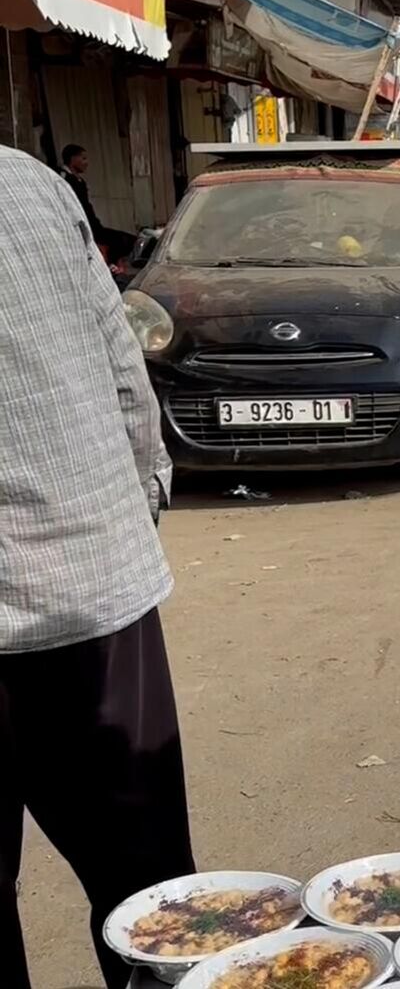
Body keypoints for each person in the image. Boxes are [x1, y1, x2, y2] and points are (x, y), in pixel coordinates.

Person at [0, 146, 192, 987]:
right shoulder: (27, 183)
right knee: (145, 886)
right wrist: (135, 496)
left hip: (86, 583)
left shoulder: (30, 185)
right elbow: (123, 368)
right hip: (92, 583)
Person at [58, 144, 135, 267]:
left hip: (92, 225)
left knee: (128, 241)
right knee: (118, 241)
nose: (86, 163)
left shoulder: (80, 181)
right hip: (77, 227)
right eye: (83, 158)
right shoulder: (62, 178)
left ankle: (112, 267)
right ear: (73, 159)